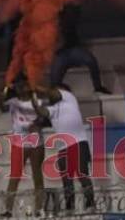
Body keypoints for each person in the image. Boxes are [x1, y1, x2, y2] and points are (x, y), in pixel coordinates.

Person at [34, 84, 95, 213]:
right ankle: (69, 207)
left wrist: (39, 88)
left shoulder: (69, 98)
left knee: (82, 175)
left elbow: (53, 93)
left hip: (78, 142)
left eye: (57, 89)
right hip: (62, 147)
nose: (55, 92)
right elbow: (42, 112)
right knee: (66, 179)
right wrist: (34, 100)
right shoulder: (53, 109)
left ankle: (90, 204)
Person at [0, 79, 48, 217]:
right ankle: (8, 210)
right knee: (14, 176)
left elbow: (45, 118)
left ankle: (39, 209)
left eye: (23, 86)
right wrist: (2, 96)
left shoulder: (38, 102)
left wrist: (37, 123)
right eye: (19, 86)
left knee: (37, 176)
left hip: (36, 143)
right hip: (19, 144)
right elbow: (2, 108)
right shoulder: (13, 102)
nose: (20, 88)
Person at [49, 3, 111, 94]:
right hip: (60, 54)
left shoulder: (69, 12)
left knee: (90, 61)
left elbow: (75, 13)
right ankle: (60, 92)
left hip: (73, 49)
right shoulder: (50, 18)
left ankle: (98, 87)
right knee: (54, 79)